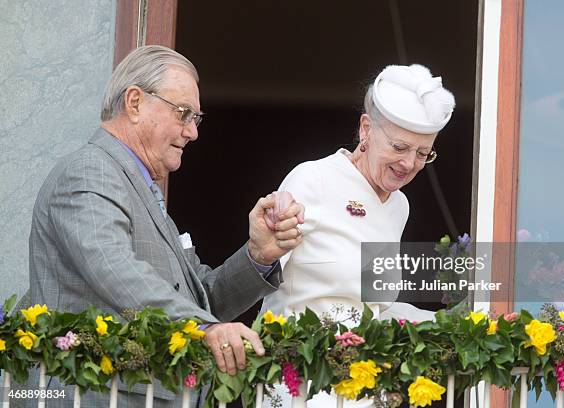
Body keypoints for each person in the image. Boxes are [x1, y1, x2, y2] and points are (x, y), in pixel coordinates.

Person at [28, 45, 304, 407]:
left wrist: (258, 256)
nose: (193, 132)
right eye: (184, 113)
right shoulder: (91, 170)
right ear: (135, 102)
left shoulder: (137, 185)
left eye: (196, 118)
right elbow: (116, 271)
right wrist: (204, 328)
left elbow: (202, 299)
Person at [261, 64, 455, 407]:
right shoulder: (313, 180)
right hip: (299, 383)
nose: (409, 163)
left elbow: (372, 308)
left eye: (423, 153)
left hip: (363, 387)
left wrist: (448, 322)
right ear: (366, 129)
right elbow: (261, 275)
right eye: (399, 146)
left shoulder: (399, 206)